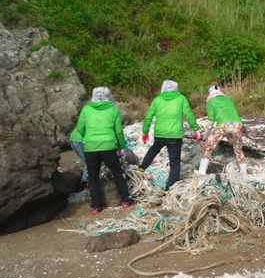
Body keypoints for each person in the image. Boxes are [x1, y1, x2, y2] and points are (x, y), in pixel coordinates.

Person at [76, 86, 132, 215]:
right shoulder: (113, 110)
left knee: (93, 177)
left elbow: (80, 128)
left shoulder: (86, 109)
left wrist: (89, 138)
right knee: (118, 173)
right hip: (109, 146)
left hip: (90, 148)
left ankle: (96, 207)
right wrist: (121, 146)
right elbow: (118, 131)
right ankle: (126, 200)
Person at [139, 80, 201, 193]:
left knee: (154, 149)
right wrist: (196, 129)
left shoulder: (157, 100)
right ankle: (168, 189)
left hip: (160, 133)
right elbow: (188, 114)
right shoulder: (181, 98)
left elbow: (148, 116)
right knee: (175, 163)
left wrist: (145, 131)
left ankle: (142, 167)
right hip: (174, 135)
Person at [196, 85, 247, 175]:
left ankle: (202, 171)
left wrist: (206, 134)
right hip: (238, 124)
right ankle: (244, 173)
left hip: (223, 125)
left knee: (207, 146)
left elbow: (211, 121)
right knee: (238, 149)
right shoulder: (229, 100)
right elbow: (230, 120)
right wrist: (231, 139)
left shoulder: (211, 101)